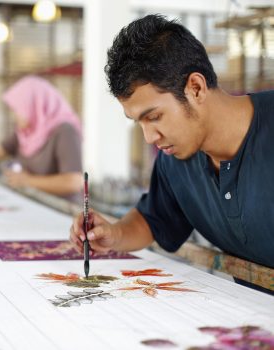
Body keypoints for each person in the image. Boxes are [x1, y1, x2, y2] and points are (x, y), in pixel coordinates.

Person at [69, 15, 274, 280]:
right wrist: (114, 234)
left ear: (196, 88)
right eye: (138, 123)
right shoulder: (176, 160)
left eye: (154, 117)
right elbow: (154, 219)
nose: (149, 137)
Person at [0, 75, 83, 202]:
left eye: (18, 110)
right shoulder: (26, 132)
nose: (14, 116)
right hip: (35, 203)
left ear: (35, 105)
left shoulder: (65, 131)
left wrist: (27, 181)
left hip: (60, 211)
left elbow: (74, 182)